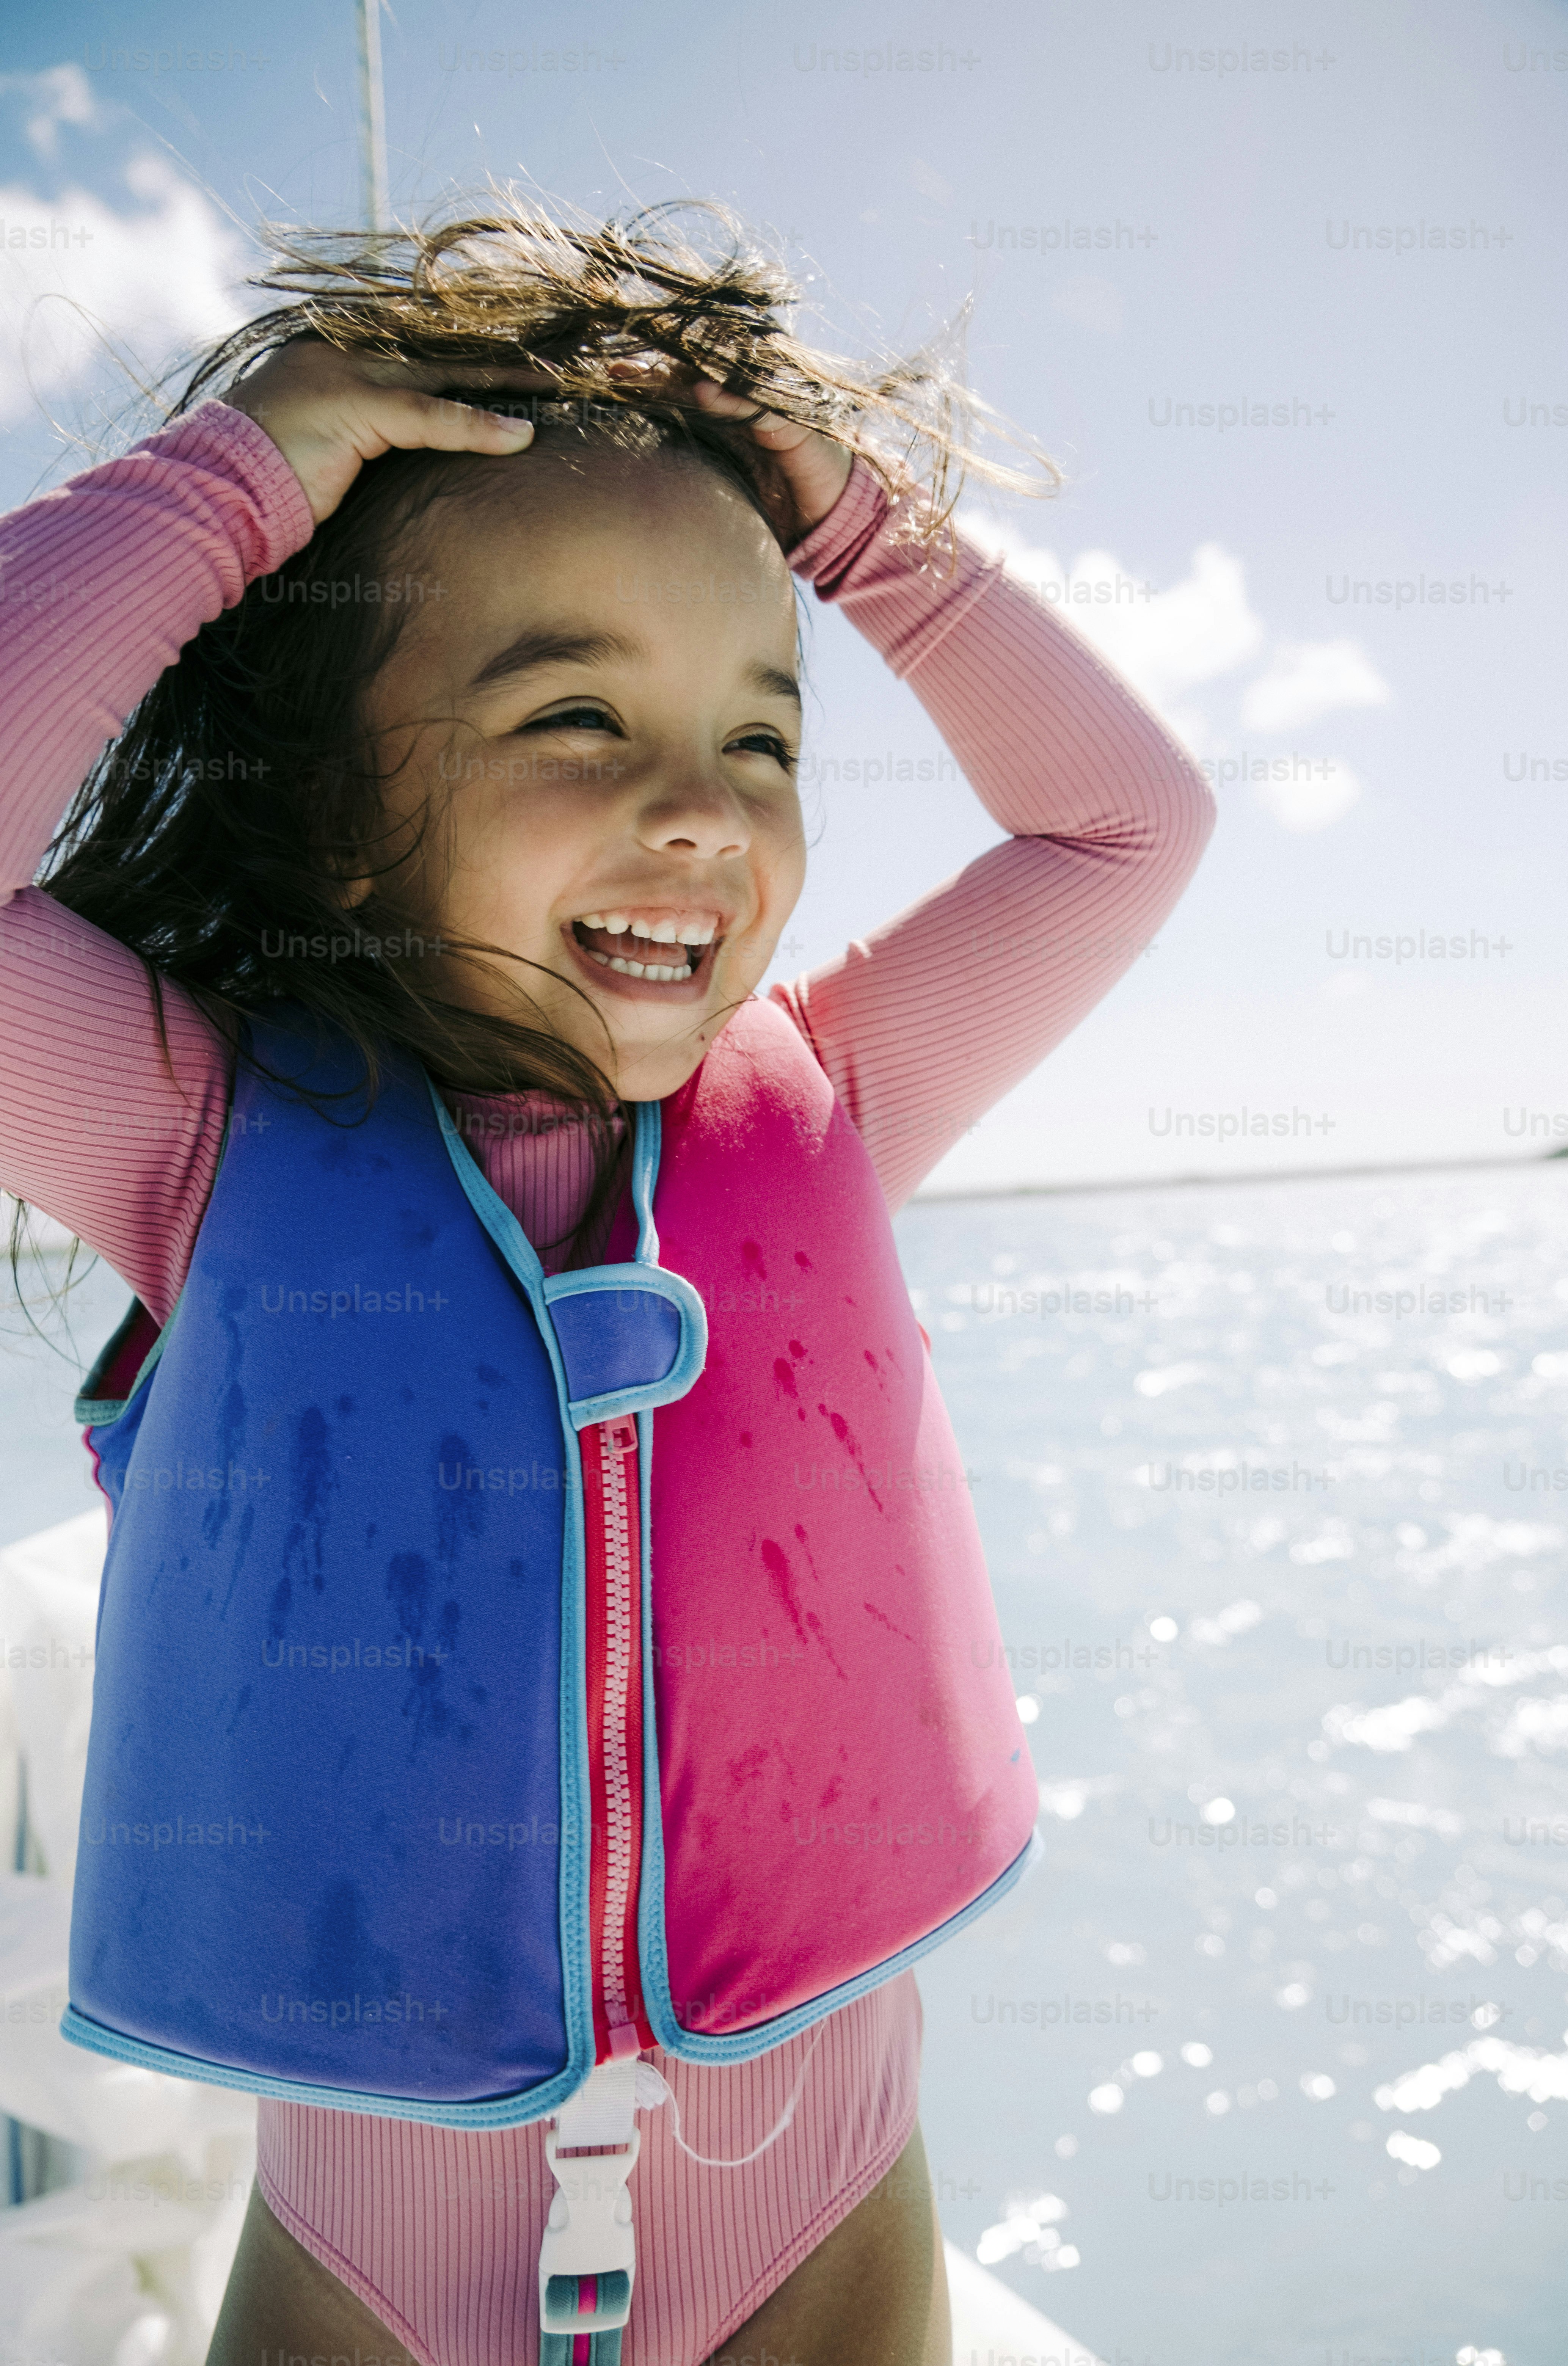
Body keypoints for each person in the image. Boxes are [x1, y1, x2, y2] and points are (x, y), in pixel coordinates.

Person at [0, 204, 1214, 2366]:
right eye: (577, 712)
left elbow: (1128, 821)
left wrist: (844, 518)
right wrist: (242, 478)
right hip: (378, 2239)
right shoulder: (196, 1143)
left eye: (760, 738)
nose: (699, 812)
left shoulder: (834, 1099)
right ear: (346, 817)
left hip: (820, 2206)